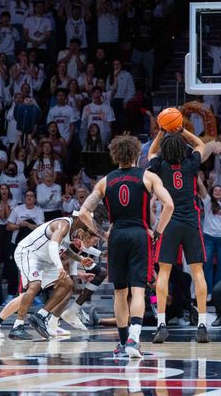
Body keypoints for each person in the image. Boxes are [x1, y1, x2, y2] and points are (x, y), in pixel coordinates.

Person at [78, 134, 174, 359]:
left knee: (119, 293)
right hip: (140, 234)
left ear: (115, 155)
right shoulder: (148, 177)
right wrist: (157, 232)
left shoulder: (105, 181)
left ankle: (122, 343)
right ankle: (134, 338)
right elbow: (169, 204)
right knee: (138, 289)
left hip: (117, 235)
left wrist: (103, 233)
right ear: (137, 154)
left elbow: (83, 212)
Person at [146, 109, 217, 344]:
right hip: (190, 221)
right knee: (197, 272)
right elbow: (201, 146)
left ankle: (162, 323)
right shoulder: (190, 164)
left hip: (169, 223)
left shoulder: (160, 166)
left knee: (164, 272)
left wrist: (161, 130)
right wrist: (181, 130)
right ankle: (203, 325)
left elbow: (151, 152)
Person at [0, 213, 78, 339]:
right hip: (28, 254)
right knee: (31, 288)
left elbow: (64, 249)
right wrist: (60, 267)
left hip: (43, 261)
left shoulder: (72, 232)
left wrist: (80, 259)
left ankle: (41, 316)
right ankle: (15, 326)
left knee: (67, 283)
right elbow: (54, 246)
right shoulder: (63, 224)